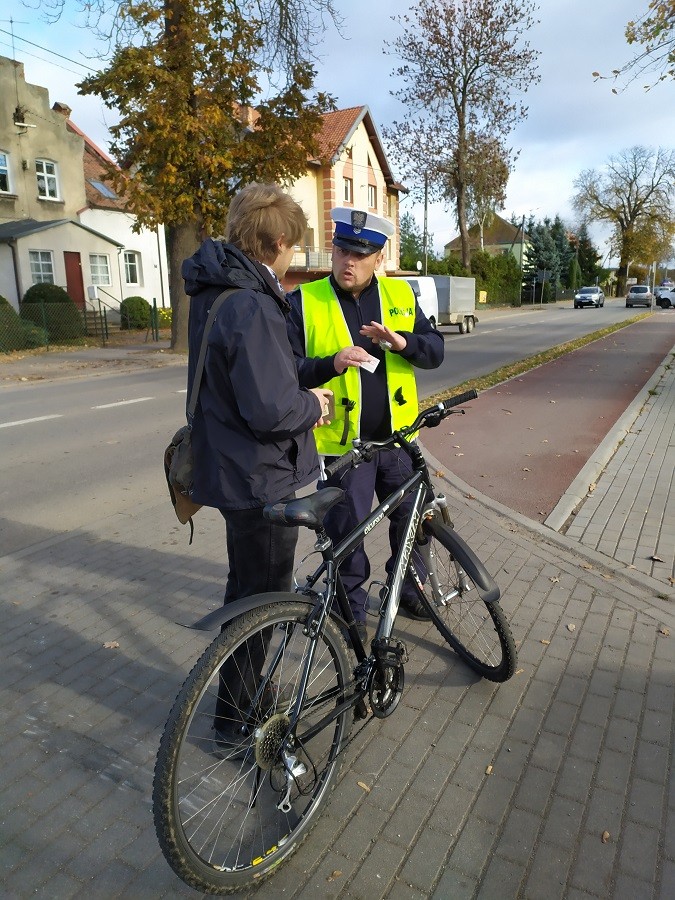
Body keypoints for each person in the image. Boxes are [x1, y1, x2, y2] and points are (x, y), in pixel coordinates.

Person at [182, 182, 332, 747]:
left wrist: (321, 368)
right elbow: (271, 406)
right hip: (262, 478)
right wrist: (312, 406)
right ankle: (236, 720)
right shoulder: (251, 303)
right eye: (292, 245)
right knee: (262, 604)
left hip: (233, 472)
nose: (294, 255)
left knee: (244, 591)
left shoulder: (219, 291)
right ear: (274, 241)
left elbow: (269, 371)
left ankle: (236, 702)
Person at [287, 207, 444, 640]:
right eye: (342, 250)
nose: (348, 261)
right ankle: (351, 617)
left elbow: (435, 351)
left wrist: (403, 342)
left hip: (398, 442)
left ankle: (410, 590)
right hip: (344, 450)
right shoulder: (304, 301)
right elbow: (285, 370)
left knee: (415, 522)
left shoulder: (401, 297)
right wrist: (329, 364)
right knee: (347, 540)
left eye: (361, 254)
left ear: (379, 257)